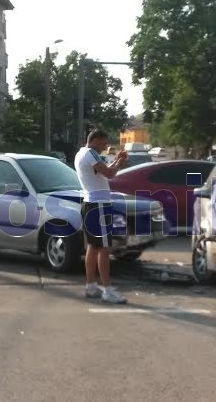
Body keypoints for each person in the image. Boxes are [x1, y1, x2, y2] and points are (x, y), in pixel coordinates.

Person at [74, 130, 129, 304]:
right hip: (98, 205)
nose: (105, 147)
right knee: (104, 248)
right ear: (95, 141)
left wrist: (117, 161)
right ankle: (107, 290)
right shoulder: (90, 154)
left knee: (93, 246)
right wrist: (119, 162)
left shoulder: (81, 154)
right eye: (104, 143)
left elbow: (105, 171)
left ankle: (91, 285)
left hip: (90, 203)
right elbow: (109, 173)